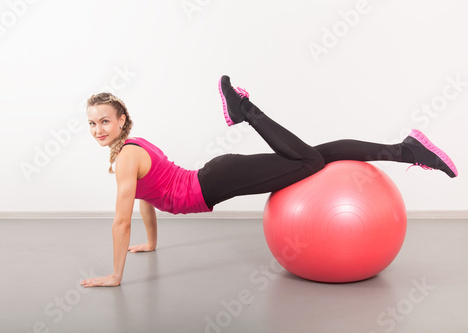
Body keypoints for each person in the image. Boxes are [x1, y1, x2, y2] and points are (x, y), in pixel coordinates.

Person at [80, 75, 458, 288]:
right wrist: (151, 242)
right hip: (216, 176)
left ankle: (244, 109)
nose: (99, 129)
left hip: (214, 182)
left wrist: (115, 276)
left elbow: (121, 220)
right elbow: (148, 196)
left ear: (121, 120)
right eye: (92, 123)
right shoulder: (132, 148)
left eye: (105, 121)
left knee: (310, 159)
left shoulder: (126, 156)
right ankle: (405, 150)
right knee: (318, 155)